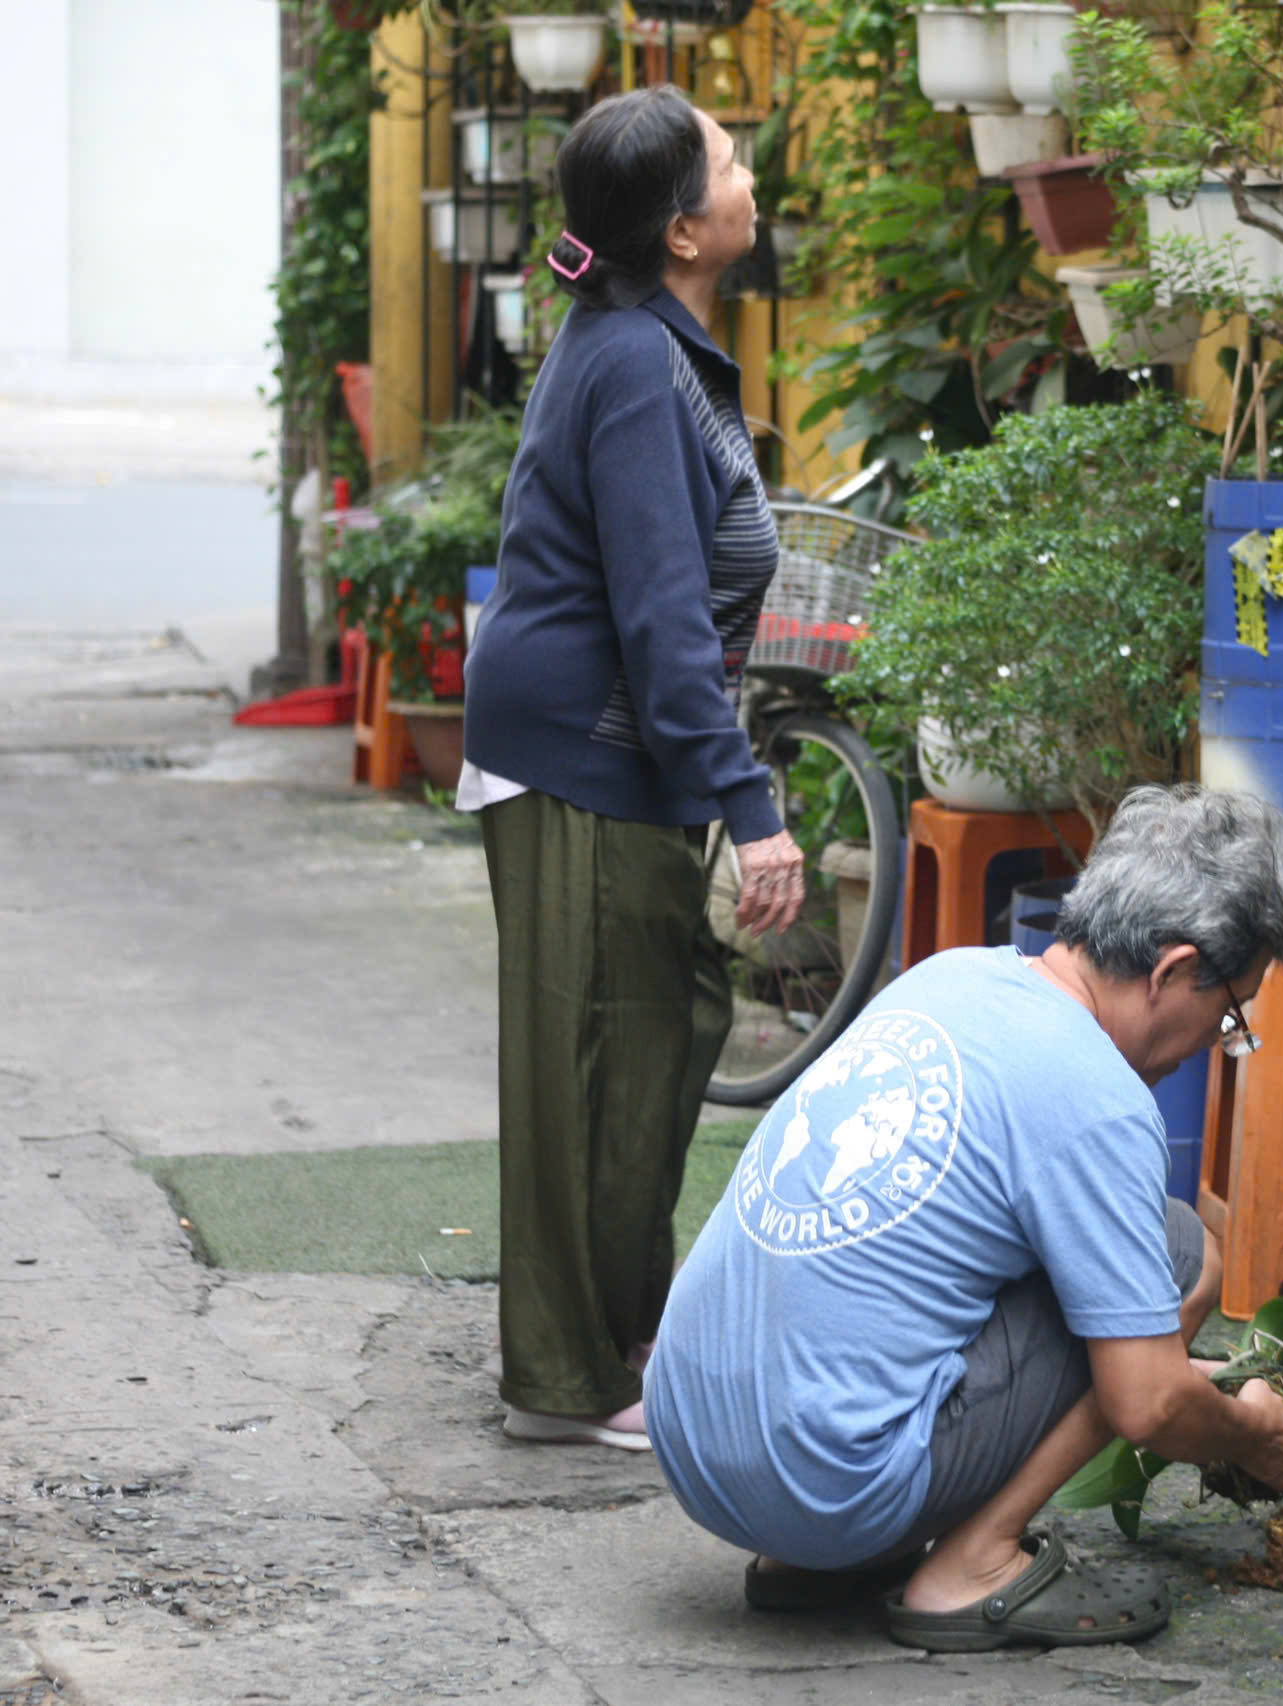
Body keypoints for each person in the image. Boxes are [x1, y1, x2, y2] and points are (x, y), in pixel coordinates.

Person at [645, 785, 1283, 1650]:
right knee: (1180, 1252)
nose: (1217, 1039)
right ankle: (971, 1563)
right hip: (823, 1483)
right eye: (1229, 1014)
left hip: (691, 1437)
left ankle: (815, 1563)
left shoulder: (951, 973)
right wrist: (1249, 1433)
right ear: (1170, 972)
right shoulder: (1098, 1099)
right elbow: (1150, 1404)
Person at [460, 85, 800, 1453]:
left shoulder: (647, 343)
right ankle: (574, 1375)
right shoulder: (636, 365)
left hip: (604, 746)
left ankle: (615, 1331)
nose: (749, 170)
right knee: (601, 1057)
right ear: (682, 229)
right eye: (728, 161)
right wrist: (755, 811)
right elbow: (661, 615)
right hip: (580, 753)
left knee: (650, 1034)